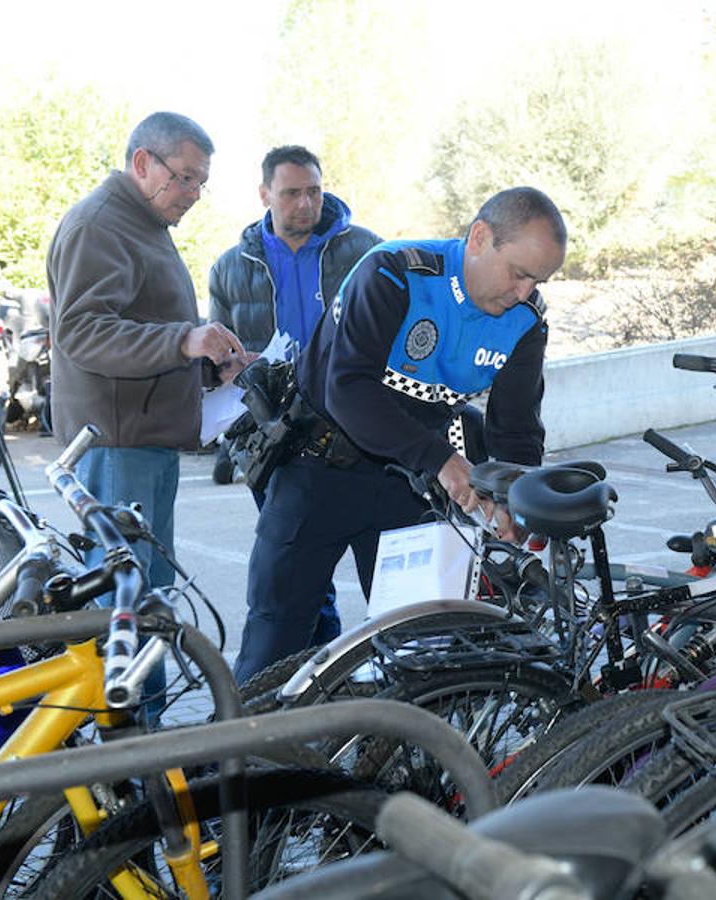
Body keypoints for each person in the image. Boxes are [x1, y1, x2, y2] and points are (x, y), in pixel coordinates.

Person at [232, 187, 567, 684]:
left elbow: (515, 428)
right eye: (518, 273)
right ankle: (241, 759)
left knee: (416, 650)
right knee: (274, 644)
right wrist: (443, 461)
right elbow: (347, 389)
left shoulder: (526, 320)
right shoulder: (395, 273)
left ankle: (388, 755)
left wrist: (515, 502)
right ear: (479, 238)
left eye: (537, 280)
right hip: (318, 470)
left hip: (406, 489)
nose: (524, 292)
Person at [47, 111, 254, 718]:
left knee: (143, 602)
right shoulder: (100, 224)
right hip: (117, 448)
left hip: (140, 442)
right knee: (128, 608)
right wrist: (184, 343)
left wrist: (207, 361)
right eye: (185, 178)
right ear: (143, 164)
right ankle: (130, 757)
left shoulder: (139, 221)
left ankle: (143, 747)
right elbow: (82, 332)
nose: (193, 194)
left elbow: (140, 327)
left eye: (200, 182)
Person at [208, 145, 383, 645]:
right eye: (290, 194)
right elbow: (218, 354)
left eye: (314, 191)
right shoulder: (230, 268)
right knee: (299, 579)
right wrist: (231, 368)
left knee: (384, 573)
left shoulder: (368, 251)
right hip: (277, 443)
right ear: (265, 194)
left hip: (359, 439)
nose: (304, 204)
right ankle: (319, 671)